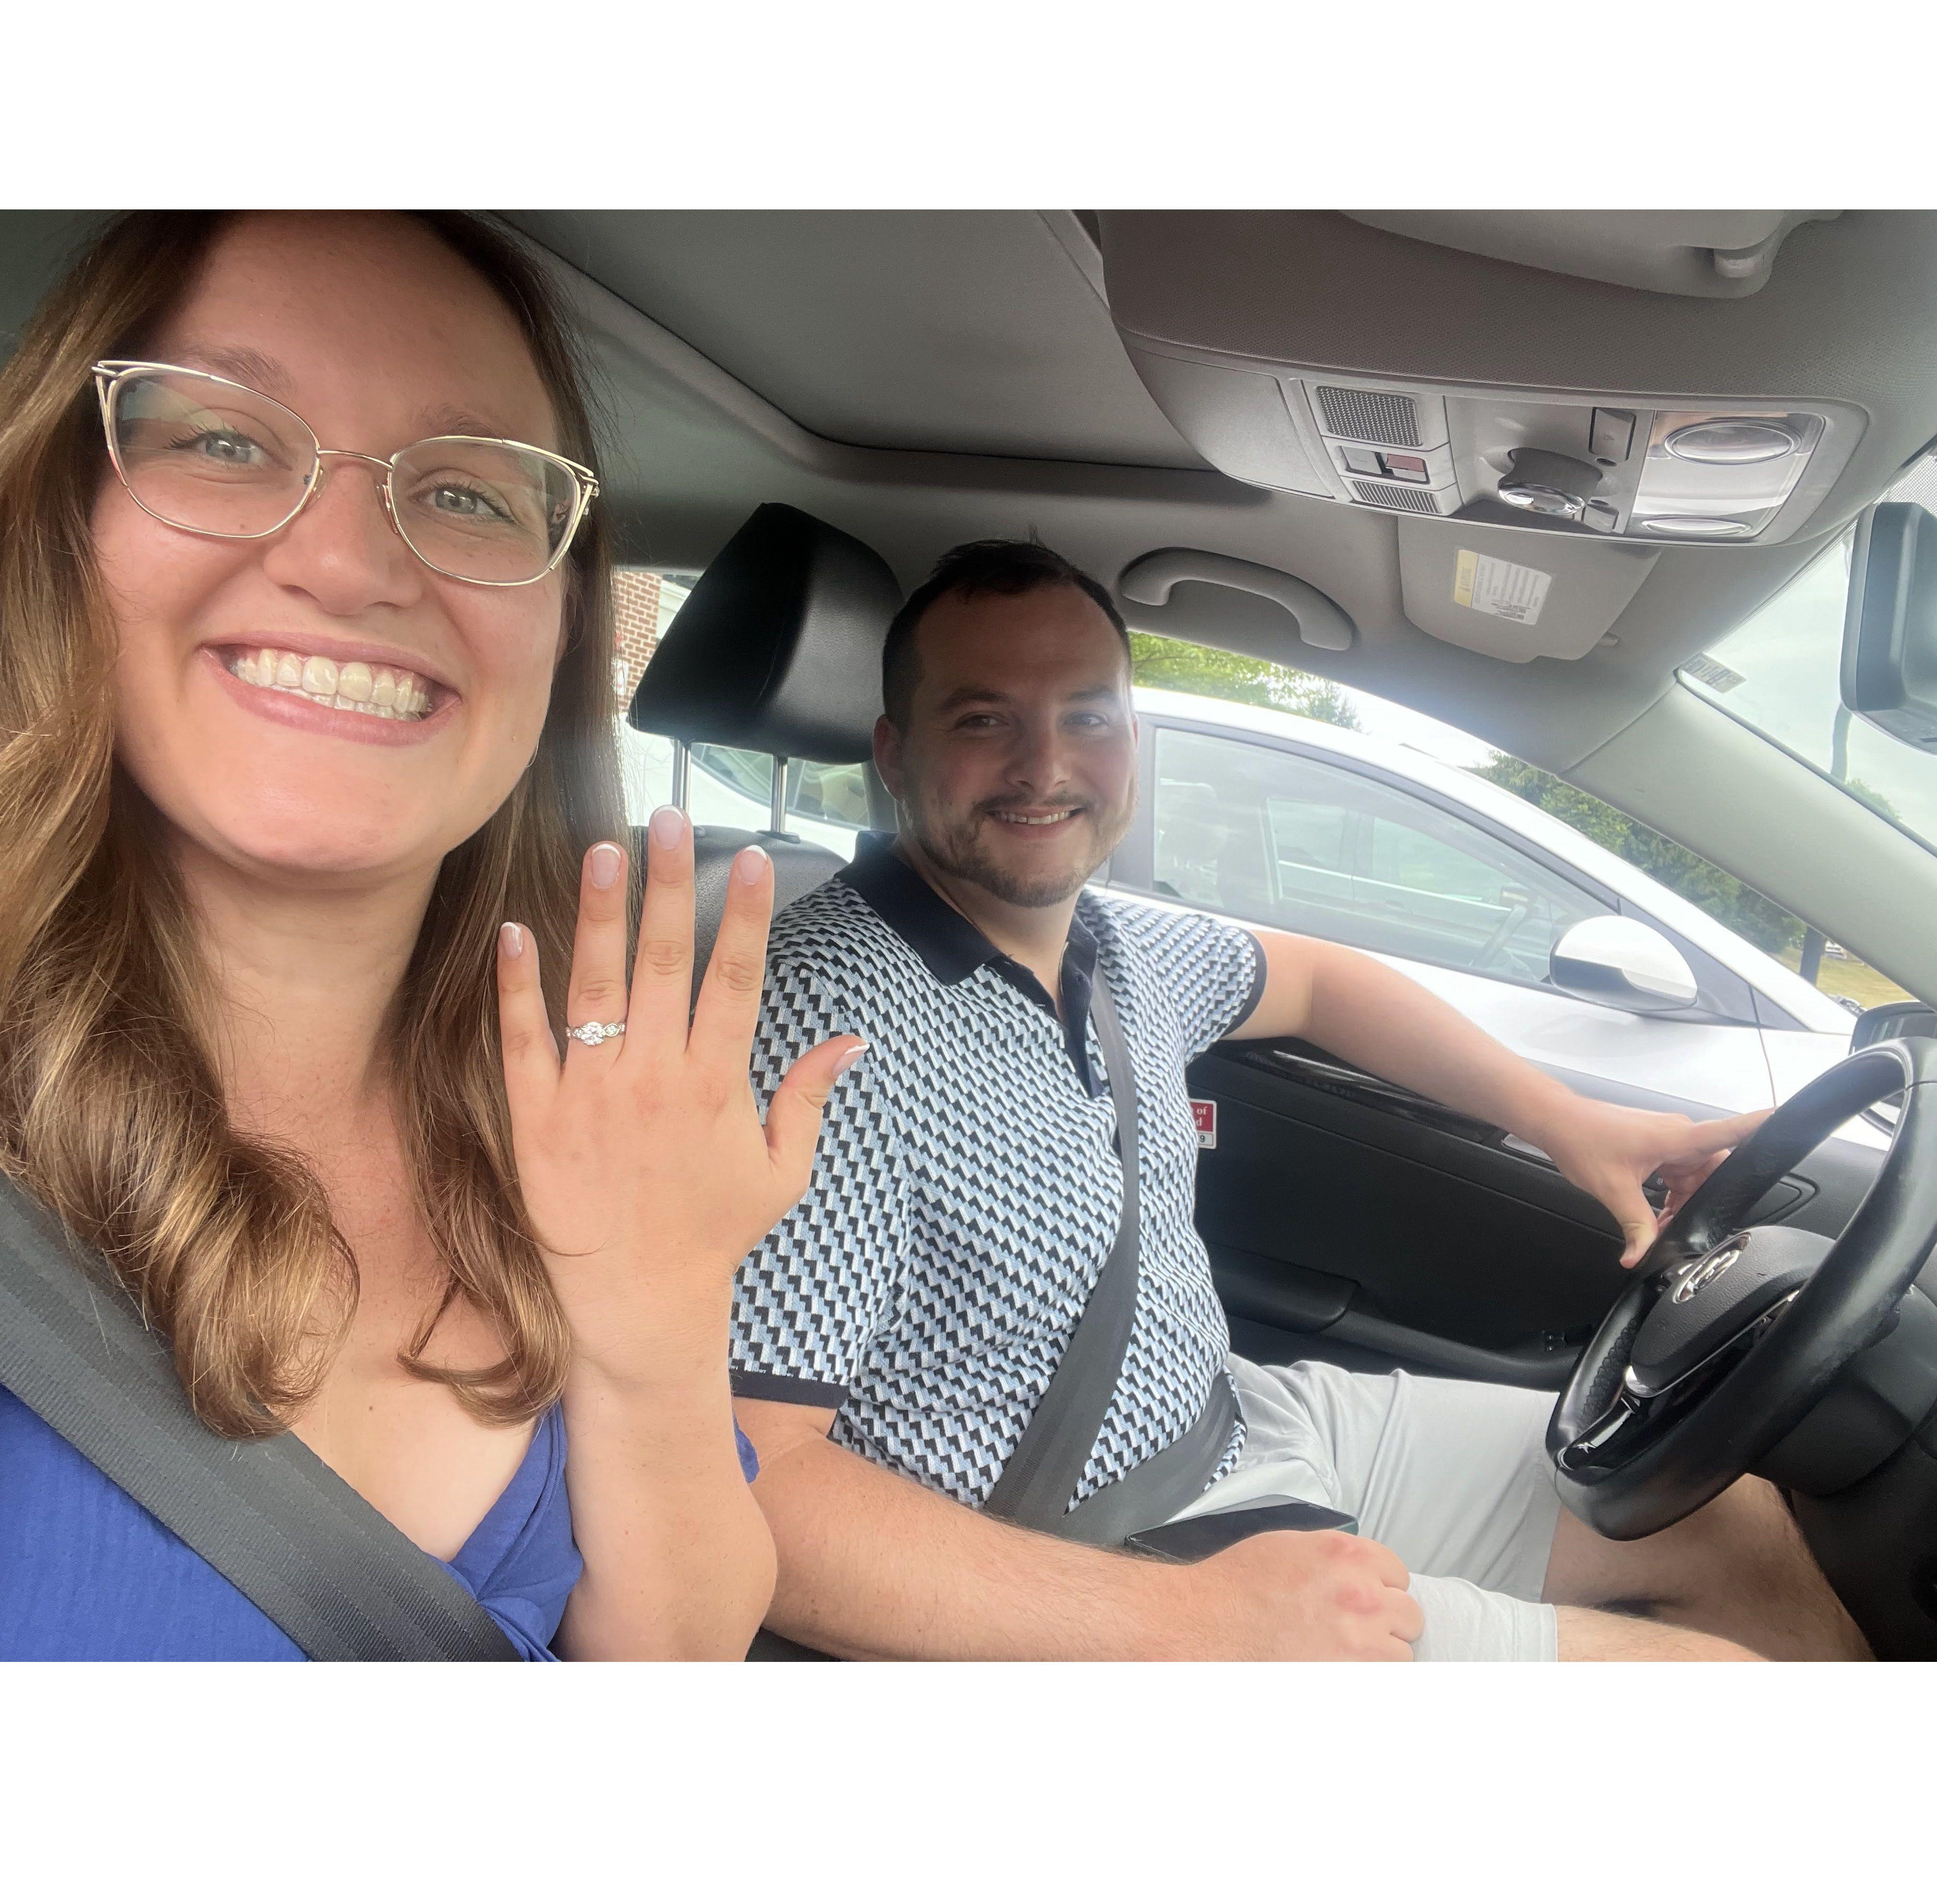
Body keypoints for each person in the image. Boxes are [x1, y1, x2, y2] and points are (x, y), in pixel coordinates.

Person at [730, 538, 1872, 1661]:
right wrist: (1195, 1623)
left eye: (1089, 716)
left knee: (1715, 1509)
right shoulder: (824, 1014)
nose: (1046, 767)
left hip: (1238, 1416)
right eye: (984, 720)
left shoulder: (1111, 944)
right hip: (1086, 1549)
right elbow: (749, 1480)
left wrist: (1570, 1125)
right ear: (895, 752)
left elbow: (1323, 982)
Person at [0, 211, 861, 1660]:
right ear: (59, 526)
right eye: (225, 440)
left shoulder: (596, 1117)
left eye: (466, 493)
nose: (349, 565)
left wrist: (657, 1335)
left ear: (562, 628)